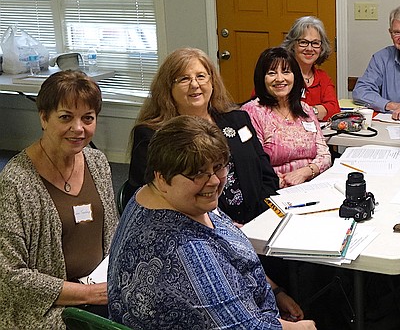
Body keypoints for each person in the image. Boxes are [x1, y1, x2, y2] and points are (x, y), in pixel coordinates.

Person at [108, 115, 314, 329]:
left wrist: (275, 291)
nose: (214, 181)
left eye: (218, 167)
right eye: (197, 174)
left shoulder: (155, 197)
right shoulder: (189, 254)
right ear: (161, 178)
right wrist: (300, 327)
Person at [0, 70, 118, 328]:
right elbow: (9, 275)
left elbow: (114, 236)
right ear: (44, 117)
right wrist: (89, 294)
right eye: (66, 117)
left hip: (102, 293)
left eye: (88, 118)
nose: (78, 128)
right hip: (50, 310)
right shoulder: (16, 182)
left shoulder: (97, 163)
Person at [128, 47, 279, 225]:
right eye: (184, 79)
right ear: (168, 88)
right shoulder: (153, 135)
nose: (194, 84)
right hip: (198, 228)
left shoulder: (238, 119)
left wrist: (262, 220)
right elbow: (151, 196)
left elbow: (267, 175)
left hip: (257, 222)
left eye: (201, 76)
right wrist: (222, 226)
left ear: (212, 81)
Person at [242, 47, 332, 188]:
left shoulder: (305, 109)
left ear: (295, 76)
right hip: (274, 189)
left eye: (286, 72)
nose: (280, 79)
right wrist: (282, 182)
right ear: (262, 78)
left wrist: (306, 172)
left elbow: (325, 155)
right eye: (272, 73)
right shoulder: (252, 112)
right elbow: (254, 164)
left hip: (313, 183)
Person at [281, 16, 340, 121]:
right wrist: (319, 111)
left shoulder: (322, 77)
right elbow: (264, 108)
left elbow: (334, 109)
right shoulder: (279, 75)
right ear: (292, 45)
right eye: (303, 42)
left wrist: (309, 112)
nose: (309, 48)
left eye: (315, 43)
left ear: (321, 47)